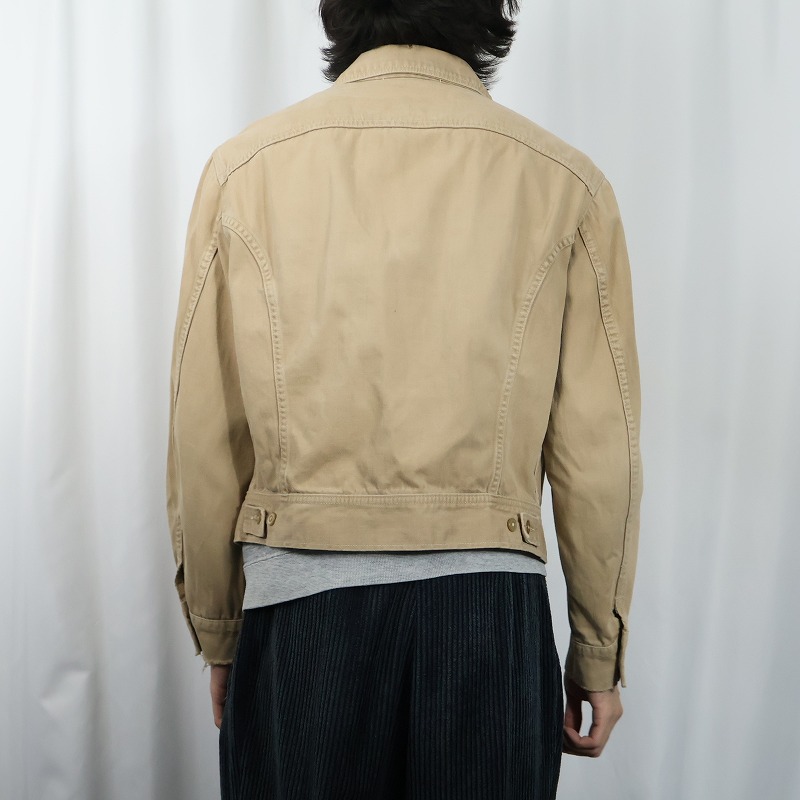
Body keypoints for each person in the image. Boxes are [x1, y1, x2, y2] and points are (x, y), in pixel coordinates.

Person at [165, 1, 643, 797]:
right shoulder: (564, 183)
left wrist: (219, 628)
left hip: (302, 610)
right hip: (488, 613)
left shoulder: (244, 172)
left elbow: (205, 430)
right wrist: (597, 649)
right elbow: (599, 449)